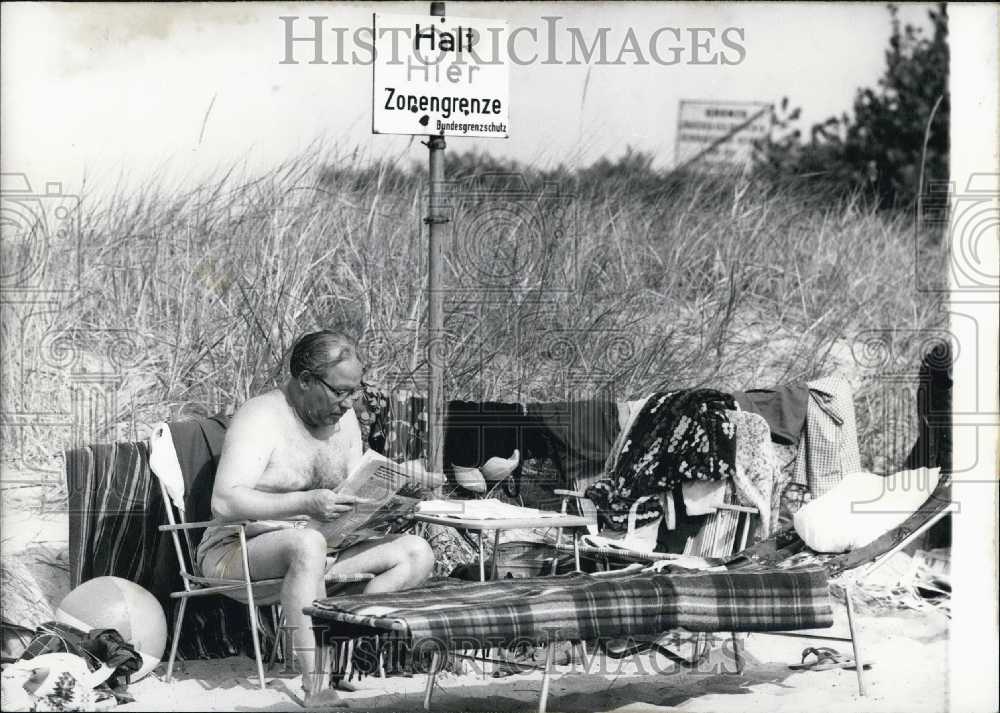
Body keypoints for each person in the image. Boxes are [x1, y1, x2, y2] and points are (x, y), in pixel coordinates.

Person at [198, 330, 435, 700]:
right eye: (339, 392)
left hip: (325, 546)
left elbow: (357, 487)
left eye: (354, 392)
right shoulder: (261, 416)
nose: (347, 403)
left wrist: (403, 489)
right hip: (238, 549)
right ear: (305, 380)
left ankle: (345, 651)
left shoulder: (345, 421)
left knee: (416, 551)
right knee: (307, 544)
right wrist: (306, 502)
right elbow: (225, 503)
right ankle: (316, 683)